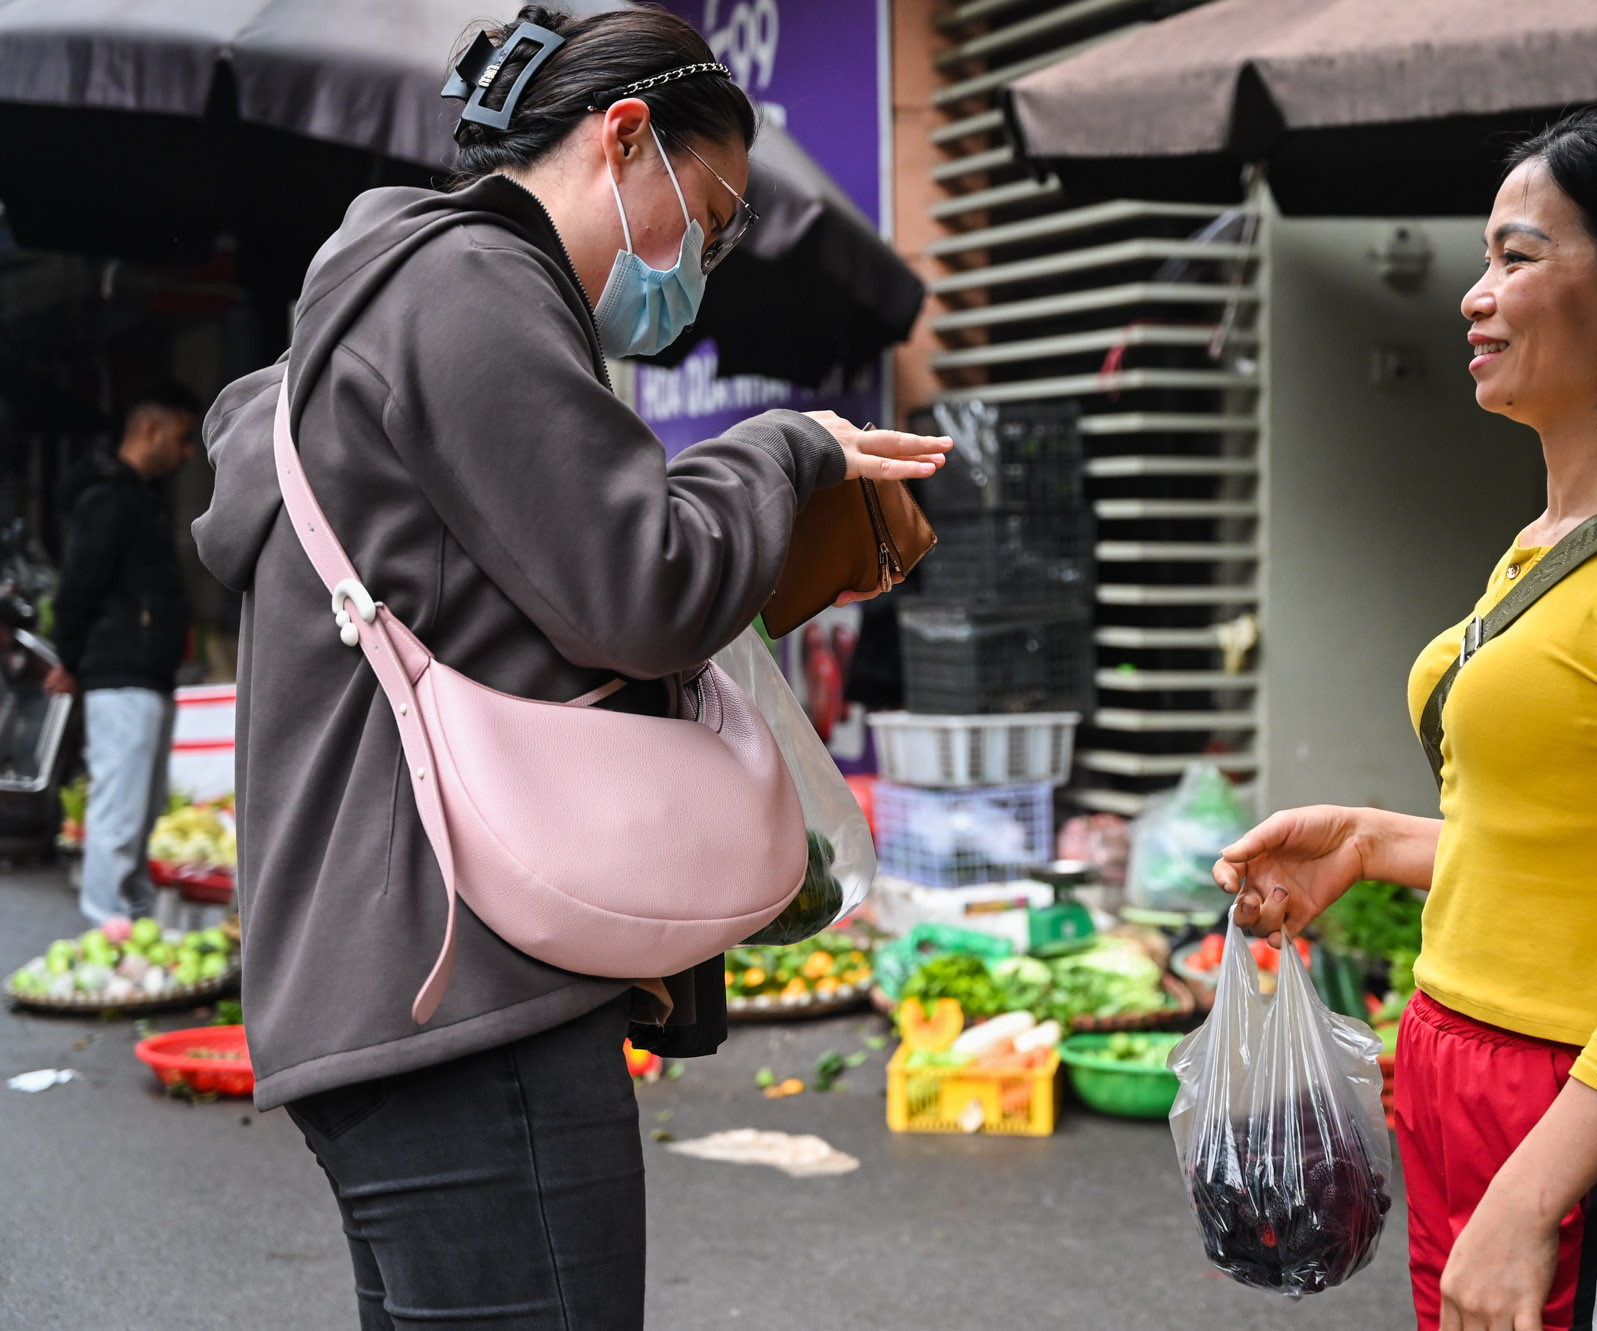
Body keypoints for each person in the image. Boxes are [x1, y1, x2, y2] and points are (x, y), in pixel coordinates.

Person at [190, 8, 947, 1328]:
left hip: (397, 994)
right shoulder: (468, 283)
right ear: (625, 137)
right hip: (464, 1002)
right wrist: (787, 451)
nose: (701, 263)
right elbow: (640, 591)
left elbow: (539, 617)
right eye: (709, 220)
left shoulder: (389, 309)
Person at [1215, 102, 1597, 1331]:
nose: (1471, 295)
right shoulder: (1542, 548)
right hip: (1458, 1068)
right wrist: (1374, 843)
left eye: (1516, 256)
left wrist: (1530, 1191)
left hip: (1594, 1112)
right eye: (1483, 257)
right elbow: (1579, 844)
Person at [49, 381, 201, 924]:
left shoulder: (134, 496)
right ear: (149, 428)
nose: (188, 453)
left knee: (140, 811)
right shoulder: (110, 497)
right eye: (183, 438)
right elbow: (79, 584)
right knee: (119, 815)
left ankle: (127, 926)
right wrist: (71, 657)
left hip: (144, 676)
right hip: (121, 677)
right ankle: (108, 931)